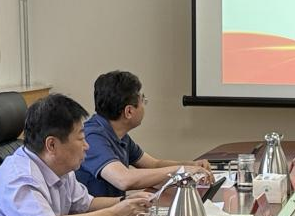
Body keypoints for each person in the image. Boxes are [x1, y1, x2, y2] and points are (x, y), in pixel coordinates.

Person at [0, 94, 153, 216]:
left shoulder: (59, 166)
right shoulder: (19, 176)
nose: (87, 146)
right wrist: (114, 215)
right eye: (81, 138)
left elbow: (86, 204)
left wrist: (127, 202)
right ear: (52, 145)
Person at [75, 70, 211, 198]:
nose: (144, 105)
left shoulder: (119, 134)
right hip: (97, 214)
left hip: (116, 211)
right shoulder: (92, 137)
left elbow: (154, 164)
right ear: (129, 111)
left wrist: (192, 165)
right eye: (143, 101)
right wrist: (182, 171)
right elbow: (124, 179)